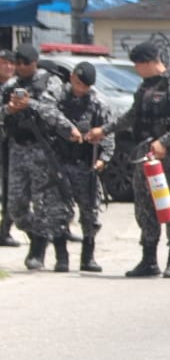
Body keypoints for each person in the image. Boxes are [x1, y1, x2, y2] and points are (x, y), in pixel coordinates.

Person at [87, 41, 170, 278]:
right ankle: (149, 259)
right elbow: (131, 116)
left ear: (150, 62)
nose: (137, 69)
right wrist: (105, 130)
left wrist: (165, 142)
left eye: (138, 64)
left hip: (168, 156)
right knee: (145, 207)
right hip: (144, 153)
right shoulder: (144, 87)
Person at [1, 43, 82, 270]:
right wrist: (10, 109)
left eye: (24, 63)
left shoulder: (50, 82)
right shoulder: (11, 85)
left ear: (34, 62)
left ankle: (42, 251)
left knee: (46, 205)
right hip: (18, 149)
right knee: (16, 206)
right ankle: (37, 235)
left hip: (43, 149)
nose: (20, 67)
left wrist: (30, 104)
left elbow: (52, 112)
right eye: (17, 64)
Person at [56, 62, 115, 273]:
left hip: (85, 165)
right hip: (60, 163)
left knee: (90, 213)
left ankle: (87, 257)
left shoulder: (98, 103)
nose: (81, 88)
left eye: (85, 86)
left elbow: (107, 133)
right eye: (78, 83)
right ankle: (61, 257)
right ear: (72, 77)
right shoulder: (58, 98)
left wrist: (103, 159)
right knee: (59, 211)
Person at [0, 48, 19, 247]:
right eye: (4, 62)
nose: (8, 66)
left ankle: (5, 230)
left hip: (12, 145)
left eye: (11, 63)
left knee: (10, 189)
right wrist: (8, 109)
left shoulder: (18, 87)